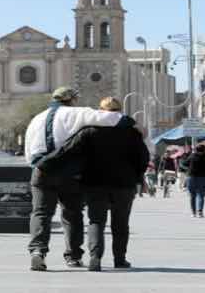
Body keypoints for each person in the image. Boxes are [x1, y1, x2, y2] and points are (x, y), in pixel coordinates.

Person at [26, 87, 129, 271]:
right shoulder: (77, 113)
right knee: (72, 213)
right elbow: (111, 117)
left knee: (40, 212)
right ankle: (73, 256)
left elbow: (28, 149)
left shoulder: (37, 118)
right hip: (69, 171)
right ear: (72, 100)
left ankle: (37, 252)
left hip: (41, 169)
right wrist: (131, 123)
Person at [53, 97, 147, 271]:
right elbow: (142, 158)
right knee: (121, 222)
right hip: (124, 184)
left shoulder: (88, 131)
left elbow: (69, 151)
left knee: (96, 220)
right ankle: (120, 259)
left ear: (100, 112)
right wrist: (138, 176)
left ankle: (95, 257)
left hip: (94, 183)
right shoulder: (131, 133)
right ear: (119, 112)